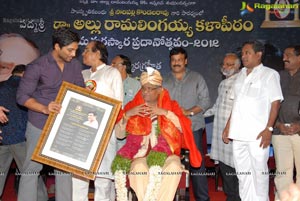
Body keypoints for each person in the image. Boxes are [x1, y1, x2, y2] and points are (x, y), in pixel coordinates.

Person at [111, 67, 202, 201]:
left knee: (174, 167)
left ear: (159, 90)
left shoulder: (171, 106)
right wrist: (127, 115)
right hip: (140, 154)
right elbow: (119, 135)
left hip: (167, 154)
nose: (145, 92)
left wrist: (164, 113)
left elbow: (184, 128)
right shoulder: (132, 106)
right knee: (138, 168)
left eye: (150, 88)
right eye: (144, 88)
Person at [16, 27, 85, 201]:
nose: (74, 54)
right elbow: (22, 97)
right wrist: (45, 108)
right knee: (31, 169)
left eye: (76, 49)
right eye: (70, 50)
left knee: (64, 170)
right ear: (56, 46)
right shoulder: (37, 66)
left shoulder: (75, 65)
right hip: (39, 123)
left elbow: (81, 92)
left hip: (64, 125)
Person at [223, 40, 283, 201]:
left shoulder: (270, 74)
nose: (243, 56)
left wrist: (269, 129)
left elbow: (275, 103)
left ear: (259, 54)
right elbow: (235, 104)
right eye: (242, 53)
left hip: (258, 134)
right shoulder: (240, 75)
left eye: (247, 53)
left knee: (259, 173)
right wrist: (227, 127)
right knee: (242, 173)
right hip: (238, 133)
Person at [72, 40, 123, 201]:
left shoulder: (111, 73)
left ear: (98, 54)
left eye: (86, 50)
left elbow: (119, 103)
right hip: (82, 130)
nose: (83, 53)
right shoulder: (83, 74)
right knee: (79, 173)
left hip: (104, 131)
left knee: (103, 175)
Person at [163, 47, 211, 201]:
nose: (176, 63)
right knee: (170, 163)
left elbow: (205, 101)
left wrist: (188, 112)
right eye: (173, 60)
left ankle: (202, 198)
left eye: (179, 60)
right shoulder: (164, 81)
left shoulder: (197, 78)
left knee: (197, 164)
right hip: (170, 130)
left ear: (186, 61)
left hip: (193, 127)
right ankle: (173, 197)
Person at [206, 53, 241, 201]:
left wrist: (229, 128)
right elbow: (216, 108)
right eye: (224, 64)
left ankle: (237, 197)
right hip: (221, 135)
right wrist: (194, 115)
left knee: (236, 168)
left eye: (229, 64)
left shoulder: (241, 82)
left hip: (233, 134)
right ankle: (231, 196)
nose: (225, 67)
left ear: (238, 66)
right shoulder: (223, 84)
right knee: (225, 167)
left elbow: (239, 109)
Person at [272, 45, 300, 200]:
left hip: (299, 132)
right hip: (280, 132)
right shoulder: (277, 76)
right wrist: (277, 125)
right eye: (283, 55)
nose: (284, 58)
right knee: (282, 172)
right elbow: (269, 105)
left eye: (288, 55)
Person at [0, 65, 27, 199]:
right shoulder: (26, 89)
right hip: (21, 139)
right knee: (30, 175)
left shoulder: (1, 86)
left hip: (2, 138)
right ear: (25, 74)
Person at [111, 54, 140, 149]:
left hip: (128, 132)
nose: (111, 66)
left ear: (124, 67)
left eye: (114, 64)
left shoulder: (136, 85)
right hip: (110, 131)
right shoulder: (108, 83)